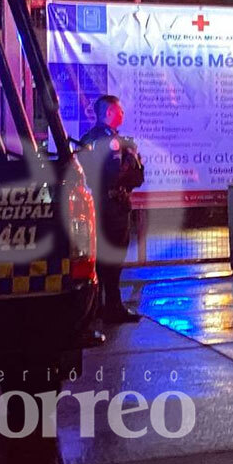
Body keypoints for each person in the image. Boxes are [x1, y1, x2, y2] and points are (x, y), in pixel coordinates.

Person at [78, 95, 145, 323]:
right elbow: (124, 176)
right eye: (119, 111)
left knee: (98, 258)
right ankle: (113, 308)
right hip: (113, 207)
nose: (123, 114)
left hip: (96, 206)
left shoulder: (88, 138)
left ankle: (96, 307)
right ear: (108, 113)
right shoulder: (113, 142)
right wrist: (132, 159)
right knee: (113, 258)